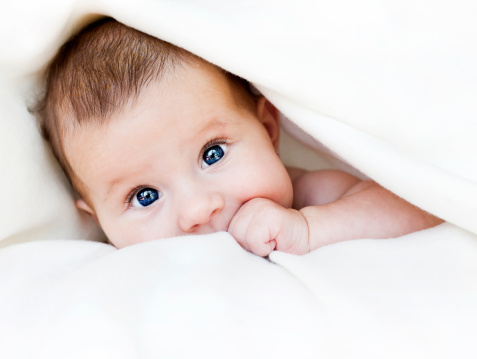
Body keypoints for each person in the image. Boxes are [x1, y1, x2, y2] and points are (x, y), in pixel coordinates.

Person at [32, 17, 443, 256]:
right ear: (98, 221)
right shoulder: (114, 272)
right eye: (144, 196)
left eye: (212, 154)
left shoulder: (308, 197)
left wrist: (308, 230)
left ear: (267, 131)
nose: (196, 210)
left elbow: (419, 206)